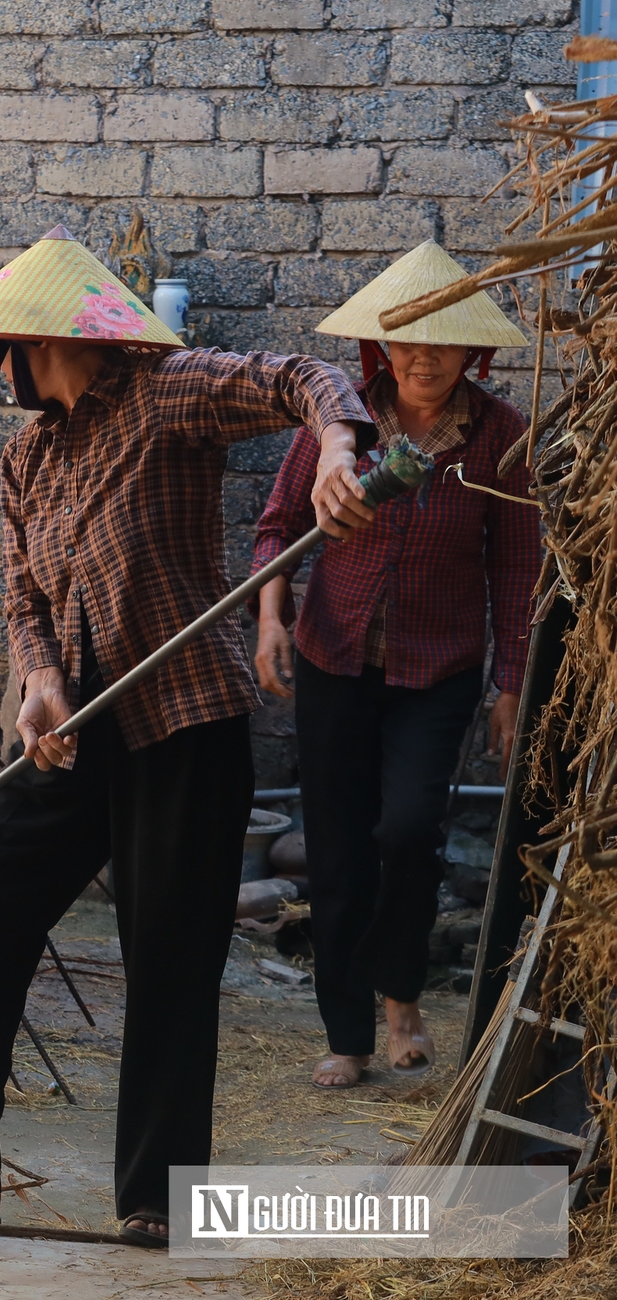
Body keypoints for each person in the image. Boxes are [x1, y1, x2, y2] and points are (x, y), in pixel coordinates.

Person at [0, 226, 380, 1248]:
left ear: (35, 341)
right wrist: (39, 684)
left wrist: (333, 446)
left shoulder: (166, 392)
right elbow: (23, 599)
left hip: (180, 718)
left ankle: (158, 1195)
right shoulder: (27, 457)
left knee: (169, 956)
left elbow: (300, 377)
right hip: (76, 735)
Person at [251, 241, 540, 1089]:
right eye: (409, 340)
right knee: (336, 852)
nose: (424, 357)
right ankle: (351, 1035)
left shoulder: (500, 438)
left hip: (437, 670)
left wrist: (510, 683)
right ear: (384, 347)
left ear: (470, 354)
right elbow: (277, 529)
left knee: (408, 832)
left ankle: (401, 993)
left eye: (443, 343)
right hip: (332, 660)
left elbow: (516, 571)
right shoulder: (344, 423)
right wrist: (273, 616)